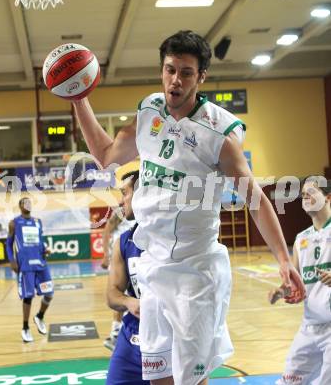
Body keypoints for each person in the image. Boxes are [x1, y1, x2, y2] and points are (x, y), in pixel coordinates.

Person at [72, 30, 305, 384]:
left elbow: (255, 200)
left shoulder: (219, 135)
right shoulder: (149, 112)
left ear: (201, 76)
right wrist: (78, 99)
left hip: (196, 274)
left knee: (191, 380)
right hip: (152, 269)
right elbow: (106, 155)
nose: (175, 81)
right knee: (158, 378)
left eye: (185, 72)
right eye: (169, 70)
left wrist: (284, 260)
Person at [269, 177, 331, 385]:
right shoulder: (301, 239)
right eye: (303, 195)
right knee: (290, 381)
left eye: (311, 193)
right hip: (310, 326)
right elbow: (294, 283)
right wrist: (281, 292)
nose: (305, 197)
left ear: (328, 198)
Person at [106, 170, 150, 385]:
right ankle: (115, 330)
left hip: (171, 336)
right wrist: (128, 301)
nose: (121, 199)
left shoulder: (175, 236)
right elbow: (112, 294)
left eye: (125, 193)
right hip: (132, 336)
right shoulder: (124, 241)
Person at [6, 197, 53, 343]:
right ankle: (25, 328)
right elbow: (8, 244)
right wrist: (12, 261)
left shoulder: (37, 222)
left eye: (29, 202)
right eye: (24, 202)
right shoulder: (14, 223)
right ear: (20, 206)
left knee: (49, 294)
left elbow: (40, 240)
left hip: (40, 264)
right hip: (26, 266)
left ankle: (39, 316)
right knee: (28, 297)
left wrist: (45, 249)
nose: (28, 204)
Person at [102, 206, 136, 351]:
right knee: (119, 294)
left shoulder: (141, 212)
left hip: (132, 255)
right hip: (120, 255)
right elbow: (106, 231)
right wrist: (105, 254)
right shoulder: (121, 212)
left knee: (132, 295)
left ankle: (118, 333)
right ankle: (115, 333)